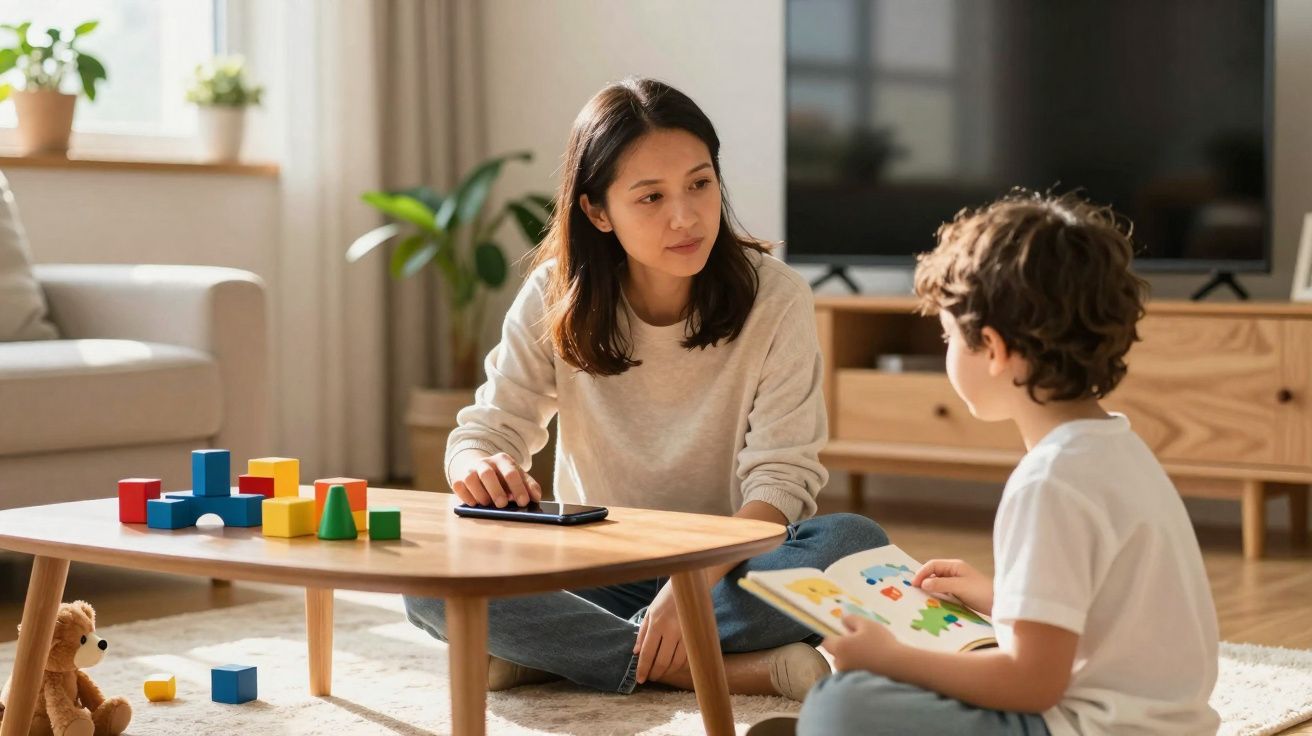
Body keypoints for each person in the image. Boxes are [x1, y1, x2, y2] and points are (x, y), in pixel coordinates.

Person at [402, 77, 887, 700]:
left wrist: (689, 593)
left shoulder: (777, 297)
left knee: (852, 545)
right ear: (598, 211)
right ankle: (706, 669)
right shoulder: (555, 295)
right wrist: (479, 465)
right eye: (651, 197)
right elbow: (487, 430)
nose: (685, 216)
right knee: (425, 578)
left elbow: (780, 484)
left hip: (730, 570)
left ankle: (559, 655)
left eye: (700, 183)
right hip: (594, 564)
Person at [778, 191, 1220, 735]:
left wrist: (890, 659)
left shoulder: (1050, 482)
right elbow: (1109, 616)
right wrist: (1002, 598)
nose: (946, 351)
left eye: (946, 336)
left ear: (992, 347)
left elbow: (1033, 685)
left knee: (843, 702)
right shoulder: (1117, 447)